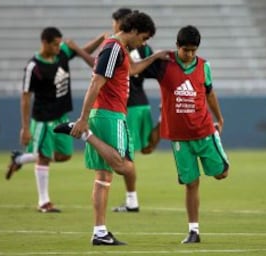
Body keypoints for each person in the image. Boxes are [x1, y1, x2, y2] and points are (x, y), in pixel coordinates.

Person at [54, 11, 169, 245]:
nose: (144, 43)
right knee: (123, 167)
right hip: (110, 115)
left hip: (109, 114)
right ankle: (86, 134)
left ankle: (99, 232)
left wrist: (156, 55)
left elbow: (134, 70)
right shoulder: (114, 48)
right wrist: (84, 120)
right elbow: (96, 82)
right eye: (144, 38)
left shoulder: (119, 49)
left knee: (103, 177)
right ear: (134, 30)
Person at [145, 25, 230, 243]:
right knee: (191, 183)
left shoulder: (204, 66)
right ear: (177, 47)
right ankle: (194, 231)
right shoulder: (164, 65)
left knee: (222, 174)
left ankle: (216, 143)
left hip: (204, 131)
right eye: (186, 50)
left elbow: (209, 93)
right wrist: (154, 54)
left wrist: (218, 117)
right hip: (179, 138)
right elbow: (135, 67)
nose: (189, 54)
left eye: (193, 50)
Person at [5, 27, 103, 213]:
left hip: (61, 114)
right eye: (56, 44)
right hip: (43, 118)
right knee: (44, 157)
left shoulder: (61, 54)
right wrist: (25, 128)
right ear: (45, 43)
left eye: (60, 43)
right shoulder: (33, 67)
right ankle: (44, 202)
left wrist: (100, 39)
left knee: (65, 155)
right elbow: (26, 97)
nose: (60, 47)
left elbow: (82, 51)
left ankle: (20, 158)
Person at [110, 8, 161, 213]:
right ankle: (161, 122)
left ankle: (132, 201)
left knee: (124, 156)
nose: (114, 27)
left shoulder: (121, 46)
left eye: (115, 22)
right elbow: (156, 72)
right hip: (142, 103)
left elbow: (102, 71)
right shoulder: (146, 49)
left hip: (127, 106)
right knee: (140, 150)